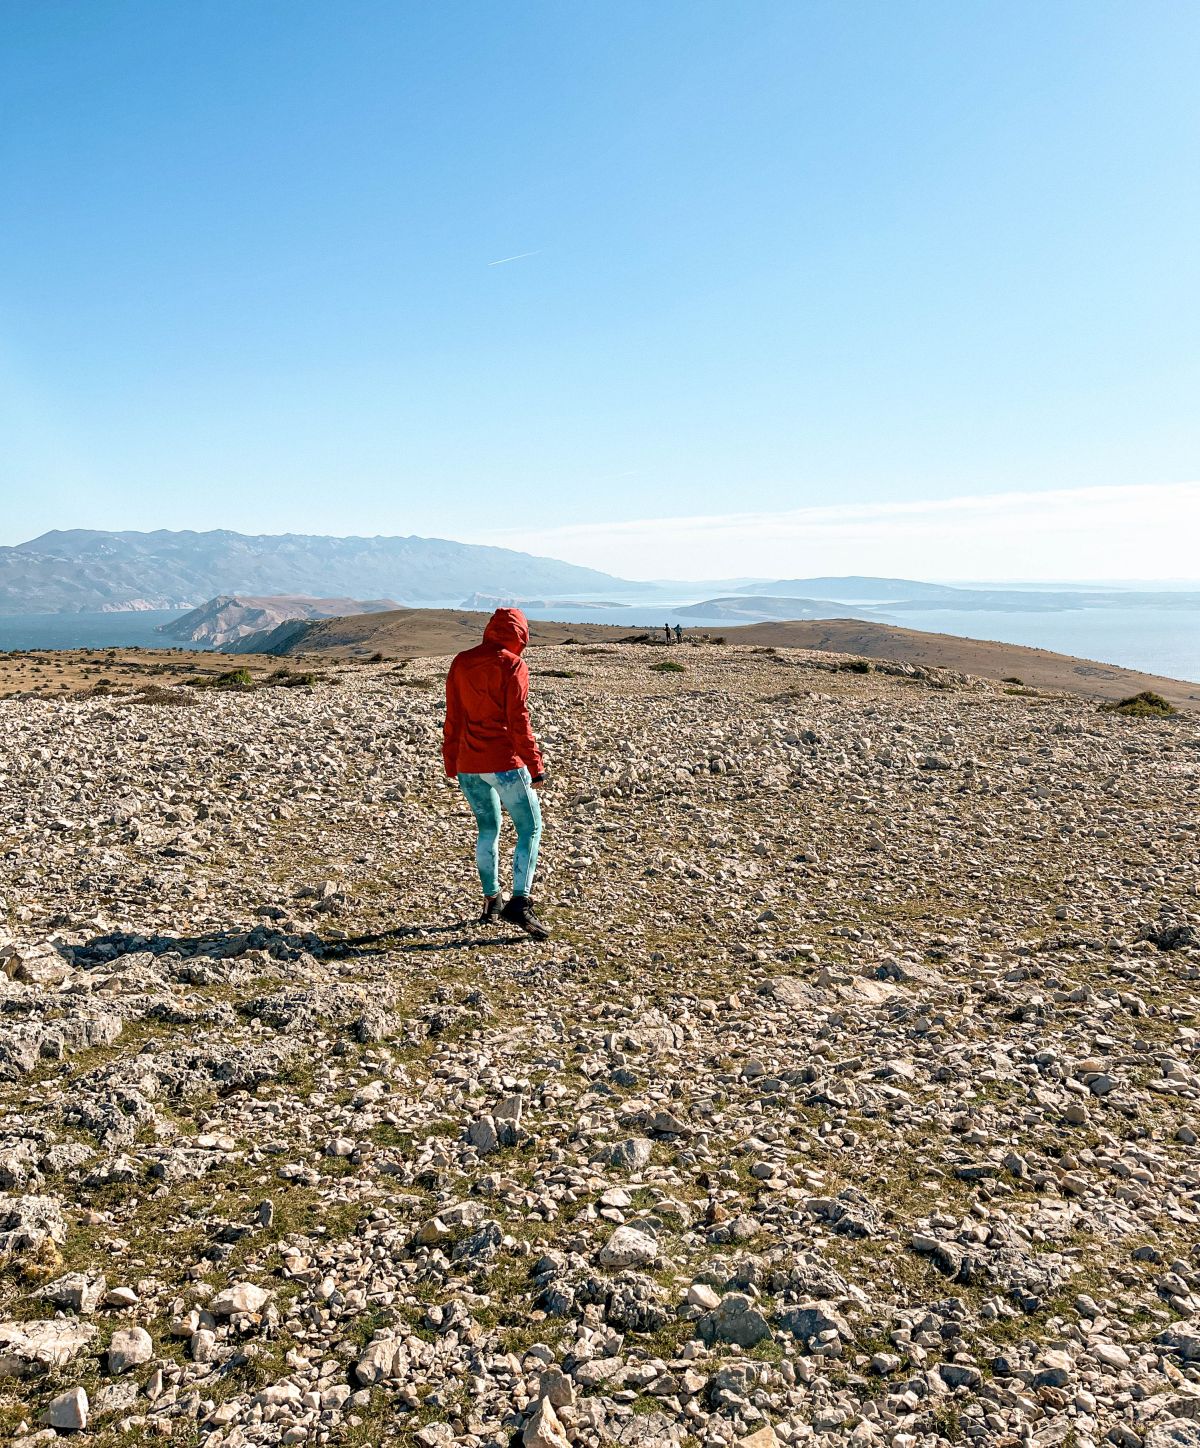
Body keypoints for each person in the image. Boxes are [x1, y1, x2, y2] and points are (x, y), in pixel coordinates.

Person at [443, 608, 549, 939]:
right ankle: (519, 901)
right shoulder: (513, 664)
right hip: (505, 762)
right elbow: (518, 719)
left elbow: (453, 715)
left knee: (488, 829)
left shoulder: (461, 661)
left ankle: (491, 900)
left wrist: (451, 760)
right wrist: (535, 764)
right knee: (530, 827)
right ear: (521, 634)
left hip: (469, 765)